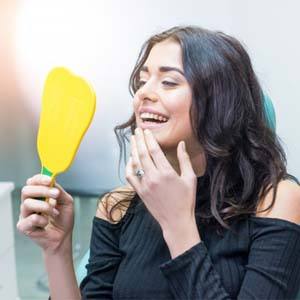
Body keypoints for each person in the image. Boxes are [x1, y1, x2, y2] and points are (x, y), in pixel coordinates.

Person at [17, 26, 300, 300]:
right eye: (142, 82)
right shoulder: (117, 207)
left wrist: (178, 226)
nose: (143, 94)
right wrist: (56, 251)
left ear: (220, 103)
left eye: (169, 82)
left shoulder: (274, 200)